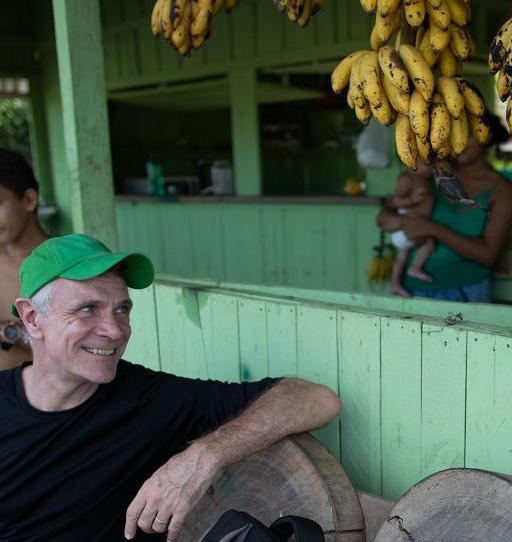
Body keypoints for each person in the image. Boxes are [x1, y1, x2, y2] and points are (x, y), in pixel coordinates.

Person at [0, 234, 341, 541]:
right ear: (32, 318)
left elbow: (316, 400)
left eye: (122, 310)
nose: (115, 331)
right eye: (88, 309)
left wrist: (204, 456)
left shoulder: (146, 398)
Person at [377, 112, 512, 303]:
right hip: (410, 289)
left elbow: (488, 255)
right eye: (451, 135)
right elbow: (386, 214)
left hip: (465, 292)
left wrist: (432, 228)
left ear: (486, 136)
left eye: (466, 135)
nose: (457, 142)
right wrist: (401, 221)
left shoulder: (502, 190)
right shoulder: (431, 172)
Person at [0, 149, 49, 370]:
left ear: (29, 200)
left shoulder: (63, 264)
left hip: (44, 400)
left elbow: (79, 344)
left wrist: (13, 333)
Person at [386, 169, 436, 297]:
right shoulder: (407, 178)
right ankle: (415, 267)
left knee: (401, 257)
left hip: (407, 227)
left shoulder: (424, 179)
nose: (428, 166)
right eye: (424, 163)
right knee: (428, 242)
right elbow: (396, 200)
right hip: (407, 225)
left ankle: (394, 283)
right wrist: (412, 200)